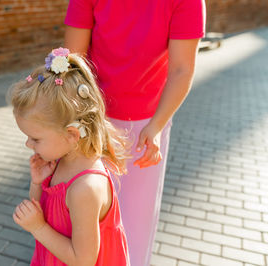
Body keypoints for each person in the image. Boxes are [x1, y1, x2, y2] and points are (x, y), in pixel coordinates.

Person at [64, 0, 206, 265]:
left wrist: (156, 127)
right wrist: (82, 118)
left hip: (147, 125)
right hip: (91, 119)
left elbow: (181, 69)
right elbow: (73, 60)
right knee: (82, 215)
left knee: (134, 225)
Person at [10, 48, 131, 265]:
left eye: (35, 139)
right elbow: (42, 209)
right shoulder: (60, 160)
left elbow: (83, 260)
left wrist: (38, 228)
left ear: (72, 134)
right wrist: (38, 183)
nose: (28, 144)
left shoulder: (86, 188)